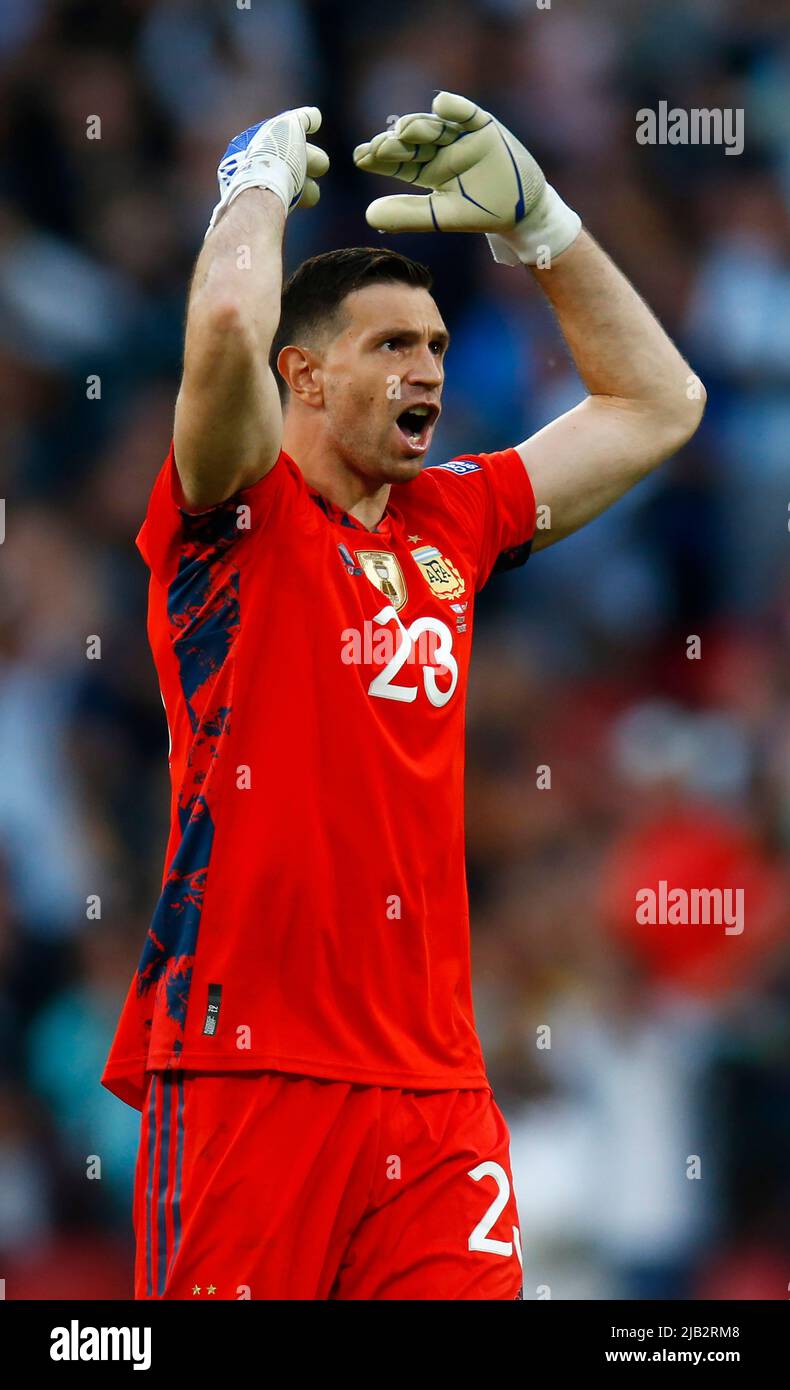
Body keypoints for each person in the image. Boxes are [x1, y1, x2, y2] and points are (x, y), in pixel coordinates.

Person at [101, 95, 705, 1300]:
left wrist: (543, 226)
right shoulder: (235, 512)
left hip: (434, 1094)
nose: (426, 367)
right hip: (243, 1072)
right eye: (390, 346)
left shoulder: (454, 518)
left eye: (433, 346)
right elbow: (224, 320)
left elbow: (657, 405)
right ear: (304, 378)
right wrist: (252, 188)